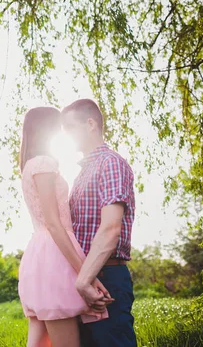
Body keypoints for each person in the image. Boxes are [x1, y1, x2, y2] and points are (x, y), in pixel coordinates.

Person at [18, 106, 112, 347]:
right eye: (60, 126)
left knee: (40, 342)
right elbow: (53, 223)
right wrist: (86, 274)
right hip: (54, 253)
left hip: (40, 253)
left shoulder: (30, 164)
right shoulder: (44, 163)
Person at [61, 99, 137, 347]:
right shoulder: (82, 172)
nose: (67, 136)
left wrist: (84, 280)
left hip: (106, 276)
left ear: (90, 124)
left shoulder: (111, 163)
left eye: (70, 128)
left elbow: (111, 228)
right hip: (87, 276)